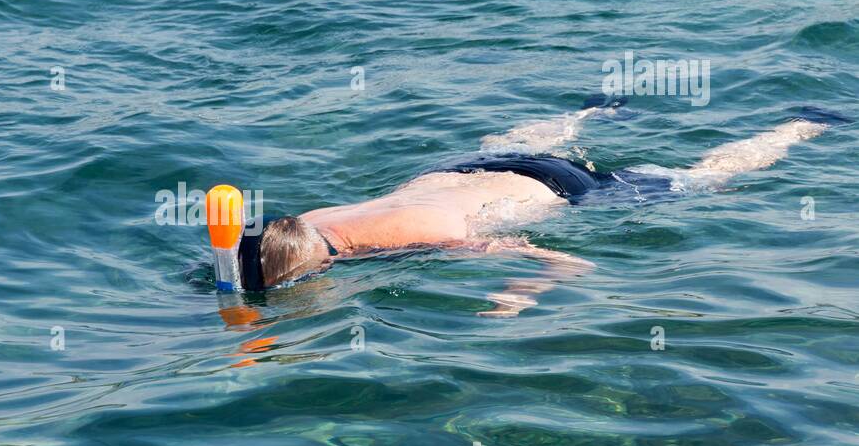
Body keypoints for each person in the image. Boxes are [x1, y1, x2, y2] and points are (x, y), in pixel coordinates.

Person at [234, 103, 844, 316]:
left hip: (559, 189)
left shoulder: (410, 241)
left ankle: (799, 128)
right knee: (524, 140)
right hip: (474, 166)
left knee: (703, 180)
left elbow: (567, 264)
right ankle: (597, 111)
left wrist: (525, 288)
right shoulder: (308, 220)